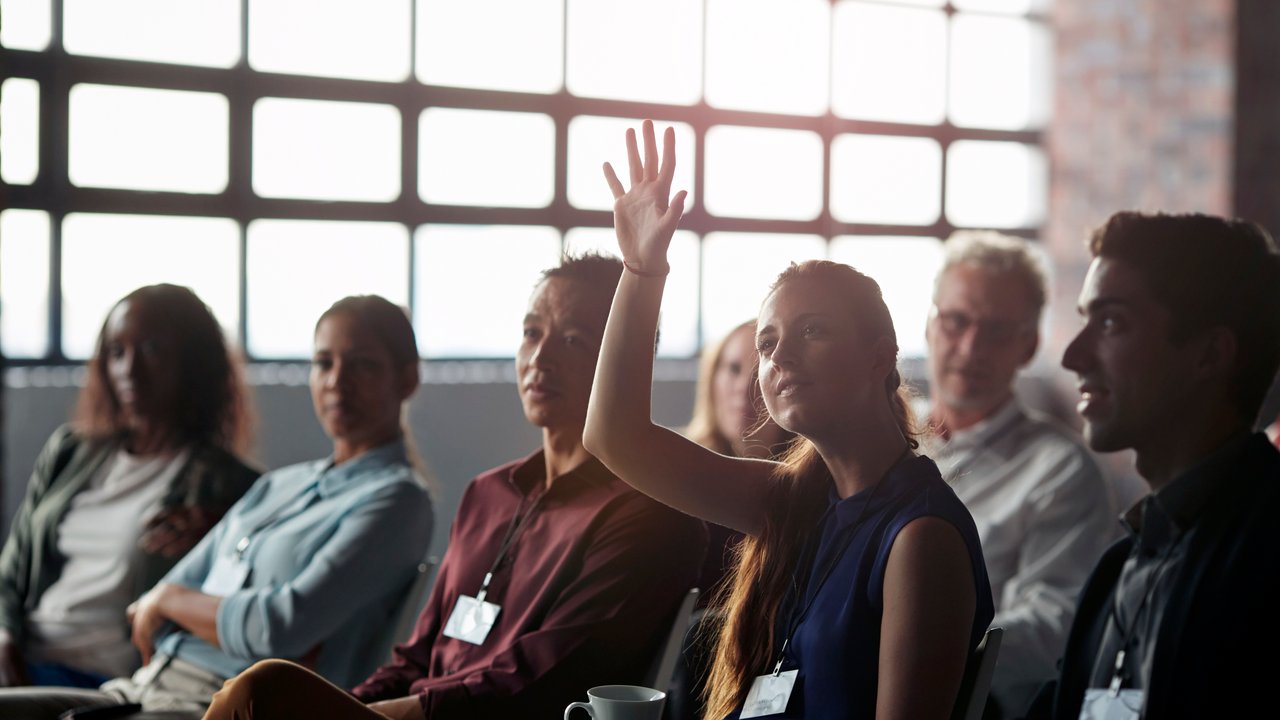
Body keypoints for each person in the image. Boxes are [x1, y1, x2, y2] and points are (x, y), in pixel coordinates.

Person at [584, 120, 994, 719]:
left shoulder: (919, 536)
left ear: (881, 356)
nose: (781, 356)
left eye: (813, 331)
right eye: (768, 342)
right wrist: (643, 271)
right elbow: (613, 436)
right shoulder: (796, 500)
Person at [200, 254, 707, 720]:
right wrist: (342, 709)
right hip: (417, 713)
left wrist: (373, 715)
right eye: (532, 333)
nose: (540, 357)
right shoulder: (489, 494)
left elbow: (543, 679)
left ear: (627, 357)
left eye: (572, 339)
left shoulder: (650, 513)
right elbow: (417, 655)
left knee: (263, 687)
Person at [0, 294, 435, 718]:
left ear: (407, 379)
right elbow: (150, 611)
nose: (337, 381)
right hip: (141, 686)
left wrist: (174, 601)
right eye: (324, 363)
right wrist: (182, 605)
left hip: (217, 701)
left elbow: (277, 628)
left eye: (363, 365)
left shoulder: (396, 499)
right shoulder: (278, 484)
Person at [1030, 211, 1280, 719]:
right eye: (1084, 319)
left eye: (1110, 322)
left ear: (1209, 354)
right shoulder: (1123, 565)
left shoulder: (1265, 551)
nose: (1073, 356)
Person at [0, 284, 260, 689]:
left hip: (104, 679)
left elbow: (244, 610)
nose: (130, 369)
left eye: (153, 350)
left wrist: (218, 539)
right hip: (18, 658)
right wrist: (3, 638)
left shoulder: (227, 485)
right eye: (116, 352)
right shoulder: (70, 451)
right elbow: (11, 574)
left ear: (193, 363)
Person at [920, 232, 1116, 715]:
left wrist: (905, 652)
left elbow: (1052, 624)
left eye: (998, 330)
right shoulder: (878, 443)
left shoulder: (1062, 471)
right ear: (929, 325)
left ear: (1028, 346)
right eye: (956, 321)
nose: (971, 347)